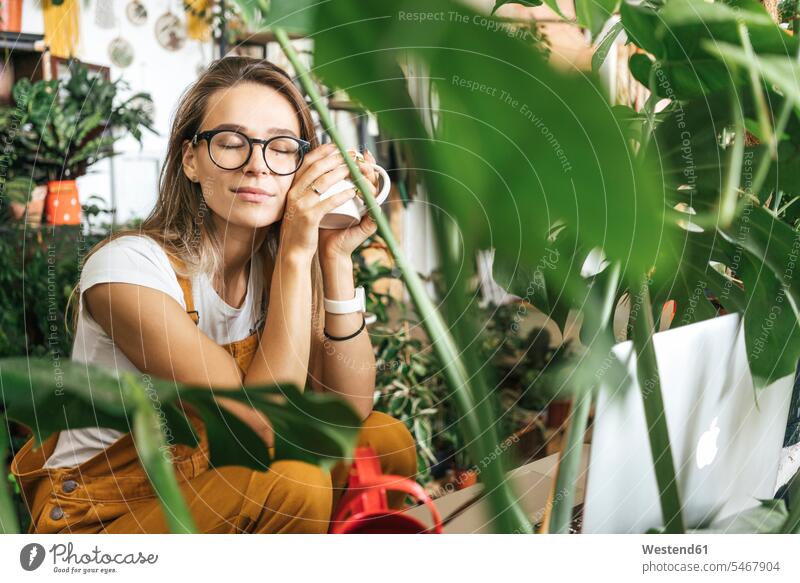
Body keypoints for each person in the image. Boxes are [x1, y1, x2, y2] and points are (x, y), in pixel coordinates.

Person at [11, 56, 417, 534]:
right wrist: (294, 253)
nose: (257, 166)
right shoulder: (126, 268)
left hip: (214, 482)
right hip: (105, 516)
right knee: (294, 482)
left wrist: (333, 254)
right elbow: (256, 431)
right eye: (230, 143)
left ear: (300, 164)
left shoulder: (286, 261)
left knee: (381, 440)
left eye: (281, 148)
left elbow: (348, 410)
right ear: (191, 160)